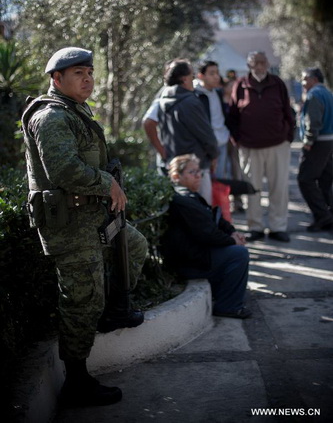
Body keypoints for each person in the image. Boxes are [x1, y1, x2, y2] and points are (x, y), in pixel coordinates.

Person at [21, 47, 148, 407]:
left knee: (134, 246)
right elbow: (64, 171)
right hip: (70, 226)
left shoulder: (75, 112)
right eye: (78, 73)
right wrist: (107, 184)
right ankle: (77, 381)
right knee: (80, 300)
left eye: (90, 72)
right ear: (56, 79)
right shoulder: (51, 117)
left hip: (92, 218)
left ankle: (112, 311)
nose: (88, 79)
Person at [160, 154, 251, 318]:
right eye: (192, 172)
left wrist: (232, 232)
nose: (198, 176)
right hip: (190, 263)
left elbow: (213, 217)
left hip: (196, 254)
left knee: (234, 251)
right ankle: (228, 306)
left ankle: (224, 295)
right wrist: (232, 240)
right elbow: (207, 233)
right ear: (176, 176)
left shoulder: (188, 194)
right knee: (239, 254)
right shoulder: (182, 199)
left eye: (199, 172)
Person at [227, 51, 295, 243]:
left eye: (263, 62)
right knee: (253, 189)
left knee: (279, 187)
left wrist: (288, 136)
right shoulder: (240, 85)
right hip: (249, 147)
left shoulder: (277, 83)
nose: (260, 65)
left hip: (277, 144)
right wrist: (237, 140)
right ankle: (255, 226)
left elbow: (287, 112)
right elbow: (232, 115)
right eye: (256, 62)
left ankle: (277, 227)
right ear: (249, 65)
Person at [156, 58, 219, 204]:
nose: (194, 78)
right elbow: (206, 135)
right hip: (195, 167)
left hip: (175, 168)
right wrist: (214, 155)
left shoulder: (162, 100)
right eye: (192, 75)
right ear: (184, 79)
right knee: (201, 210)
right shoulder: (190, 102)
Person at [297, 67, 333, 231]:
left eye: (304, 79)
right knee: (325, 179)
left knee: (305, 179)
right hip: (328, 142)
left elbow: (314, 122)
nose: (303, 83)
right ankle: (328, 214)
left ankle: (323, 216)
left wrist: (308, 142)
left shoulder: (314, 95)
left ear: (314, 79)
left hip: (319, 142)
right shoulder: (327, 93)